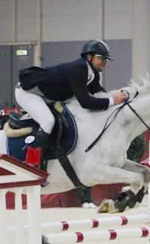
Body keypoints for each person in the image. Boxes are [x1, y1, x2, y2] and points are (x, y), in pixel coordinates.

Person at [15, 39, 127, 167]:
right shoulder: (79, 68)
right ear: (89, 57)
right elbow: (85, 102)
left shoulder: (92, 74)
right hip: (29, 92)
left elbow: (100, 94)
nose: (104, 61)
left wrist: (119, 98)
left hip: (47, 97)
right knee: (48, 121)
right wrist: (113, 100)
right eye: (101, 58)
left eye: (106, 59)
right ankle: (32, 162)